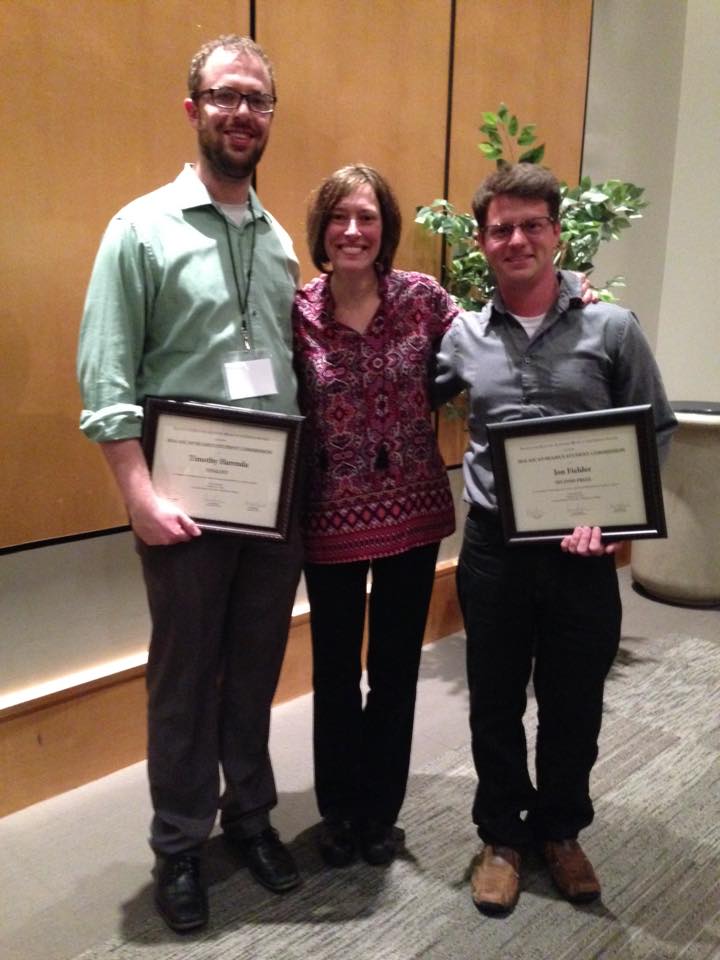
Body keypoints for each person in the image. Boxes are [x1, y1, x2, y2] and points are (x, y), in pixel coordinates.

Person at [77, 35, 304, 932]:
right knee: (183, 677)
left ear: (271, 116)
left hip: (271, 502)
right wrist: (136, 494)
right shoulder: (139, 229)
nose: (241, 113)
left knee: (254, 669)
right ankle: (178, 843)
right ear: (193, 109)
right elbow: (106, 377)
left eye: (256, 99)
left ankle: (249, 817)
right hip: (182, 504)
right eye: (224, 96)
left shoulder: (279, 241)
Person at [434, 163, 676, 916]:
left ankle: (561, 830)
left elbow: (654, 430)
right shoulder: (462, 335)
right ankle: (502, 838)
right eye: (501, 228)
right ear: (482, 242)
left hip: (583, 554)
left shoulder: (613, 327)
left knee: (575, 702)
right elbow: (399, 393)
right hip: (494, 550)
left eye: (532, 225)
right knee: (495, 700)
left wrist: (617, 526)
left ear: (557, 234)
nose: (517, 240)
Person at [292, 165, 457, 867]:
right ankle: (339, 811)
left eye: (367, 217)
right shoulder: (295, 312)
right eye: (339, 217)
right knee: (334, 672)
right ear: (321, 229)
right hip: (327, 519)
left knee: (394, 670)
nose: (353, 230)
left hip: (412, 517)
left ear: (385, 227)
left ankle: (380, 812)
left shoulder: (424, 300)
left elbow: (496, 339)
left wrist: (572, 293)